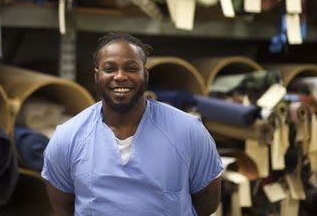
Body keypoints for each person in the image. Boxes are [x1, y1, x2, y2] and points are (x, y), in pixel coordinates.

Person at [42, 32, 222, 216]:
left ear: (145, 74)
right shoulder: (68, 137)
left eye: (131, 68)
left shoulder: (188, 131)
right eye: (110, 68)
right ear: (97, 75)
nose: (120, 76)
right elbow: (63, 207)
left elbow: (207, 203)